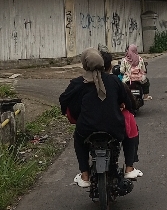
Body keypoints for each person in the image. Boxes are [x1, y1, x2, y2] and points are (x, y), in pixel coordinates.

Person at [59, 48, 140, 189]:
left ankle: (85, 175)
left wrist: (67, 111)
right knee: (129, 132)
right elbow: (126, 100)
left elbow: (63, 99)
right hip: (114, 127)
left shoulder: (78, 83)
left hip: (86, 128)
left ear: (84, 64)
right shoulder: (113, 80)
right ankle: (129, 168)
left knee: (78, 139)